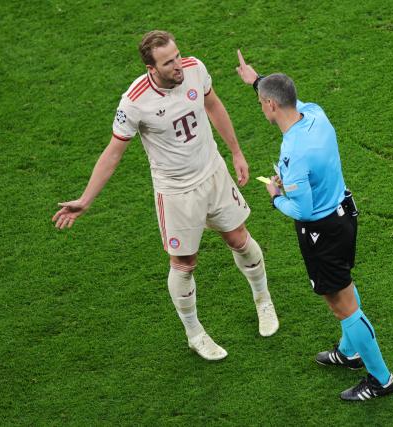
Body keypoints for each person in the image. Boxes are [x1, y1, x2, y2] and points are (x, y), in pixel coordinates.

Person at [52, 31, 279, 361]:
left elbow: (213, 105)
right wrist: (86, 199)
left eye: (177, 55)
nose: (178, 65)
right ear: (150, 67)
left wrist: (236, 152)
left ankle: (263, 300)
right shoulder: (134, 102)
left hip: (213, 172)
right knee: (184, 263)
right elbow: (113, 153)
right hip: (175, 192)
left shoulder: (195, 68)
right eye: (168, 62)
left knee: (239, 238)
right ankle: (194, 333)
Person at [235, 50, 393, 401]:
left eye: (262, 102)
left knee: (340, 302)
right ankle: (351, 351)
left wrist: (274, 195)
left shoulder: (294, 153)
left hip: (323, 229)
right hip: (343, 214)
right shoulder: (315, 113)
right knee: (344, 288)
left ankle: (380, 379)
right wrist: (256, 81)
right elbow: (283, 96)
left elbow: (303, 210)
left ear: (271, 106)